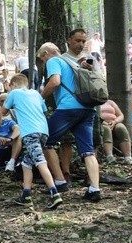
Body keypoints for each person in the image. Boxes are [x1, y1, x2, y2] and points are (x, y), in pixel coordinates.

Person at [38, 41, 101, 202]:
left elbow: (55, 82)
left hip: (68, 108)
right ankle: (94, 189)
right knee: (87, 150)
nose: (44, 63)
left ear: (46, 54)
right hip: (87, 108)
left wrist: (40, 98)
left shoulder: (54, 61)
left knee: (46, 141)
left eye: (42, 59)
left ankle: (60, 181)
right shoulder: (73, 62)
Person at [1, 73, 63, 209]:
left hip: (30, 132)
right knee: (26, 163)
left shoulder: (14, 93)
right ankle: (26, 194)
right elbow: (43, 110)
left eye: (10, 87)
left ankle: (54, 193)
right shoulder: (36, 93)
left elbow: (3, 112)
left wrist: (8, 100)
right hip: (43, 131)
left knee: (40, 161)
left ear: (13, 84)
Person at [99, 100, 132, 165]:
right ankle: (109, 157)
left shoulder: (110, 102)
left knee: (121, 128)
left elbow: (121, 115)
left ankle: (128, 157)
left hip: (114, 122)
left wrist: (115, 121)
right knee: (106, 129)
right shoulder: (93, 101)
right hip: (101, 123)